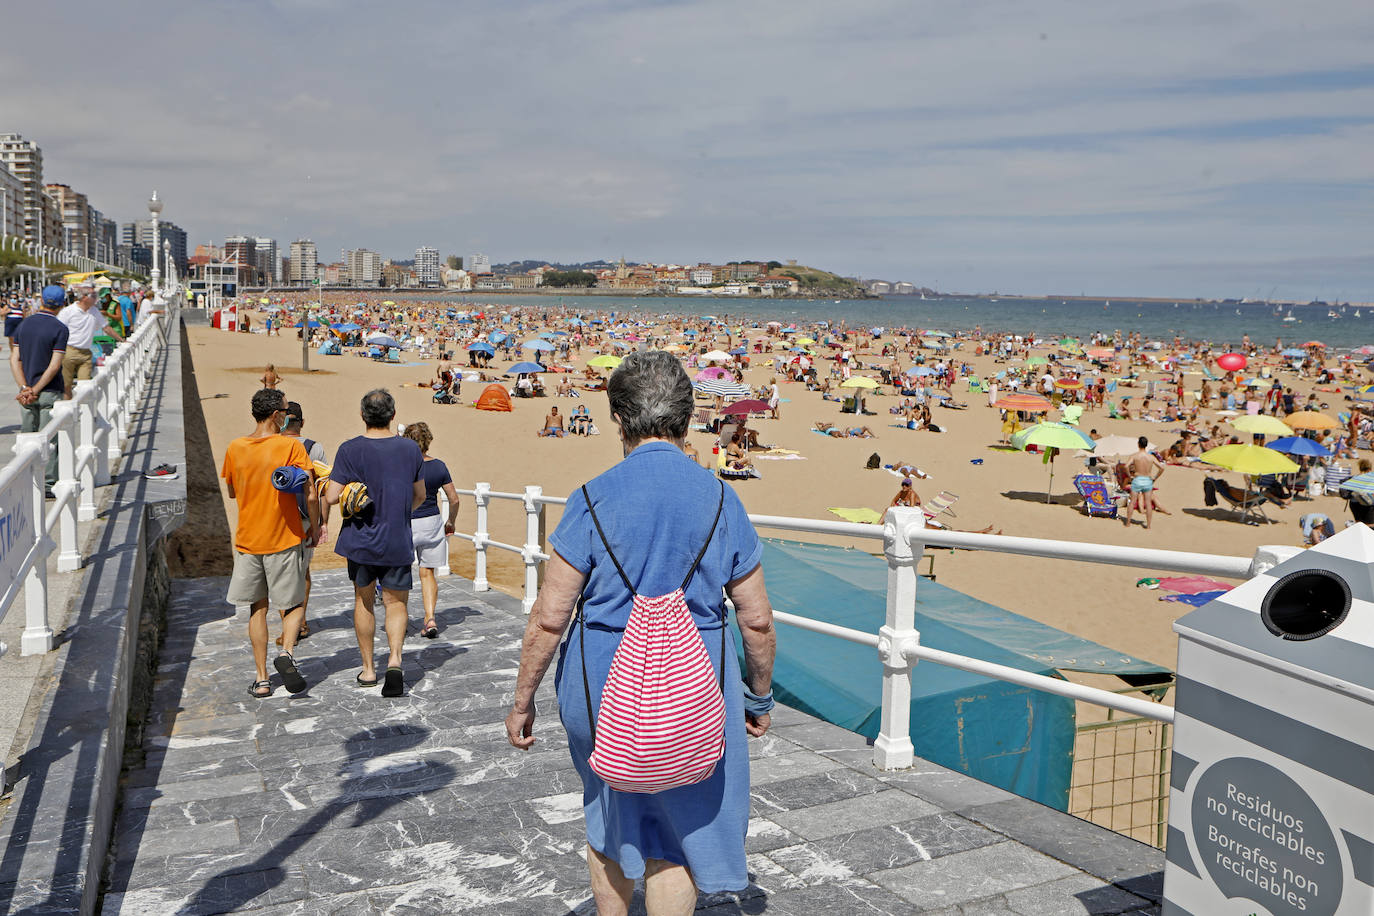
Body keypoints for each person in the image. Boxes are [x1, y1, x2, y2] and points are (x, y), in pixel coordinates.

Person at [505, 350, 776, 914]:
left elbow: (550, 616)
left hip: (600, 679)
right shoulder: (722, 498)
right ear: (686, 418)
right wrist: (757, 695)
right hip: (696, 682)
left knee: (608, 814)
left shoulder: (592, 497)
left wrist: (522, 699)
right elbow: (756, 619)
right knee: (676, 833)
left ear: (620, 419)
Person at [323, 389, 425, 697]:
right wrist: (399, 512)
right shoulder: (410, 449)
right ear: (393, 415)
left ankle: (369, 670)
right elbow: (420, 495)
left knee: (363, 601)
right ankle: (394, 660)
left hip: (360, 539)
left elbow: (330, 496)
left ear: (363, 416)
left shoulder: (349, 449)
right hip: (396, 537)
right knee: (396, 603)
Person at [220, 389, 319, 699]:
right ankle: (287, 654)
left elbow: (233, 492)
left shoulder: (236, 447)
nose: (288, 416)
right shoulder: (290, 447)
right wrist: (315, 527)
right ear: (277, 415)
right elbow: (310, 492)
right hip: (284, 537)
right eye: (286, 411)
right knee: (292, 603)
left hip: (249, 541)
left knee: (256, 609)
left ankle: (262, 679)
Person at [276, 401, 328, 647]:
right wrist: (320, 523)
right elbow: (320, 489)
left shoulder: (273, 445)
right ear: (302, 423)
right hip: (307, 518)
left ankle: (288, 627)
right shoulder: (314, 447)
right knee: (303, 571)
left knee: (282, 575)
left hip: (279, 520)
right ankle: (302, 621)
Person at [401, 422, 459, 639]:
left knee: (402, 571)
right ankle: (430, 618)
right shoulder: (439, 466)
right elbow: (454, 499)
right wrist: (451, 521)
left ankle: (402, 618)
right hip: (432, 521)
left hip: (407, 521)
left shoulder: (403, 466)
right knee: (427, 573)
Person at [10, 285, 69, 496]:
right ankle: (47, 485)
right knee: (48, 440)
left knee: (27, 437)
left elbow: (14, 359)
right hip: (48, 391)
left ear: (42, 300)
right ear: (62, 304)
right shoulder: (60, 329)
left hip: (26, 393)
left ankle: (24, 481)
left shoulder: (24, 325)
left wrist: (24, 387)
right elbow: (54, 366)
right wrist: (36, 389)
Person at [58, 283, 121, 395]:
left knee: (85, 387)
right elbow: (58, 331)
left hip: (86, 353)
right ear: (84, 297)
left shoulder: (94, 311)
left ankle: (83, 411)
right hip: (69, 351)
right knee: (66, 386)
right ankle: (69, 409)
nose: (96, 298)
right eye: (93, 295)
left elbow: (106, 328)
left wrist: (122, 340)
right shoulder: (68, 312)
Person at [1124, 436, 1165, 530]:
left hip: (1137, 478)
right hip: (1147, 479)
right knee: (1148, 503)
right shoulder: (1150, 457)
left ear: (1138, 444)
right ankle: (1149, 525)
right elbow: (1162, 468)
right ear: (1146, 445)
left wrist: (1129, 476)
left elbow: (1126, 466)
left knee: (1132, 502)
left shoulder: (1135, 456)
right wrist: (1155, 478)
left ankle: (1128, 522)